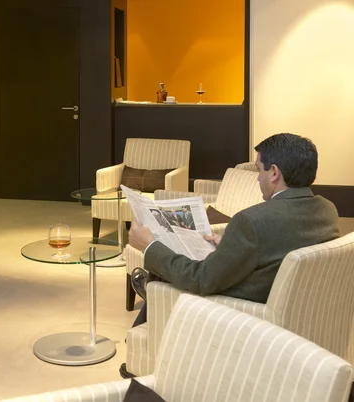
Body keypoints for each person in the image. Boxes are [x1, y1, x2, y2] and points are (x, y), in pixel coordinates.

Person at [120, 133, 340, 378]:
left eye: (260, 170)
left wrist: (149, 246)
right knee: (165, 271)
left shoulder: (251, 220)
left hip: (243, 312)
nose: (258, 178)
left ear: (274, 173)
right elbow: (279, 246)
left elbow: (201, 280)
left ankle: (139, 360)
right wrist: (231, 245)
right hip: (284, 301)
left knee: (161, 278)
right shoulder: (327, 210)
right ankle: (149, 283)